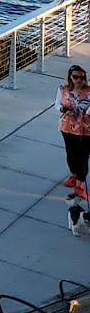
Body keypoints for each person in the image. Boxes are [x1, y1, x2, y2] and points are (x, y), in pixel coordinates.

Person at [60, 65, 90, 236]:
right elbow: (58, 104)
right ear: (70, 77)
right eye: (76, 77)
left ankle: (80, 183)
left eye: (82, 77)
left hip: (86, 129)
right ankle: (74, 176)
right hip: (68, 127)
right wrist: (62, 109)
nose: (79, 80)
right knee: (72, 154)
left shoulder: (89, 91)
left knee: (83, 156)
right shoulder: (63, 90)